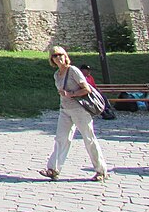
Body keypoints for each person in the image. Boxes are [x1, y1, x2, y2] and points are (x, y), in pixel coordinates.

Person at [39, 46, 108, 182]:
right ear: (52, 59)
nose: (58, 57)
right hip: (65, 110)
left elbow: (86, 89)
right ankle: (53, 169)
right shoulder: (57, 75)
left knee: (89, 139)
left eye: (60, 55)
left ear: (65, 56)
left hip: (79, 110)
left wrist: (71, 94)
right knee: (61, 139)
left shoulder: (73, 71)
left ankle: (101, 170)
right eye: (55, 56)